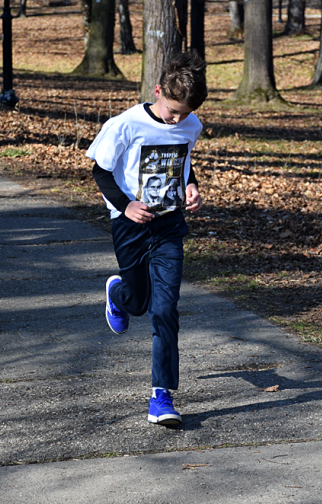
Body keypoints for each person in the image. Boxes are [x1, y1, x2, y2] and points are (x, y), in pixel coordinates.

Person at [87, 51, 207, 427]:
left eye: (185, 113)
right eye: (173, 111)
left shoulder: (191, 124)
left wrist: (191, 186)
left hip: (169, 226)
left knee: (165, 309)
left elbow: (184, 162)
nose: (178, 119)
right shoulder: (124, 125)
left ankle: (162, 395)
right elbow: (101, 171)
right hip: (131, 225)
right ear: (157, 91)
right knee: (138, 304)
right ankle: (118, 293)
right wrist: (126, 206)